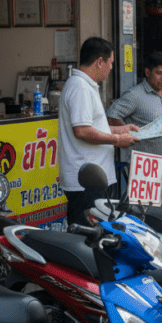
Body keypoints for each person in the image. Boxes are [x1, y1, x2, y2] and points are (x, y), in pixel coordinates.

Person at [59, 37, 138, 226]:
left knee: (98, 234)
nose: (111, 68)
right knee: (86, 237)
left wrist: (120, 130)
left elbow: (92, 126)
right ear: (99, 62)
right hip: (86, 180)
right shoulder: (80, 88)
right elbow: (82, 131)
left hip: (93, 177)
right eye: (110, 62)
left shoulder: (85, 86)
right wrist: (117, 140)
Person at [107, 52, 162, 190]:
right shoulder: (134, 95)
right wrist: (130, 133)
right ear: (148, 72)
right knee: (146, 209)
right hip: (147, 166)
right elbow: (112, 116)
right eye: (159, 73)